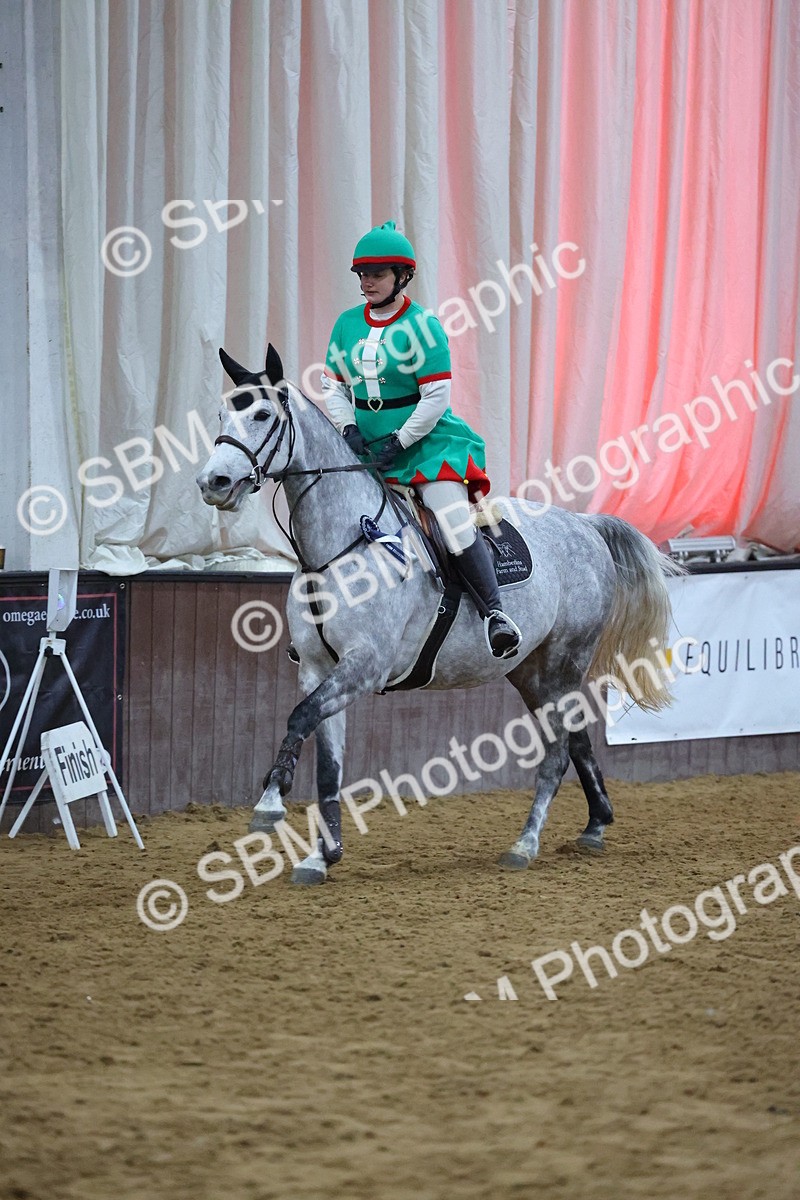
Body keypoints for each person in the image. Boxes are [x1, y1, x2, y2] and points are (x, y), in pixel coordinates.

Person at [321, 220, 521, 659]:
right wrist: (347, 429)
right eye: (361, 274)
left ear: (402, 276)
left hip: (427, 443)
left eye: (377, 273)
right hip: (365, 448)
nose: (367, 281)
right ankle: (317, 626)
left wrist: (399, 440)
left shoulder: (424, 325)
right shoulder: (346, 324)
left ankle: (495, 614)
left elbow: (435, 398)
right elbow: (332, 385)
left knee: (450, 517)